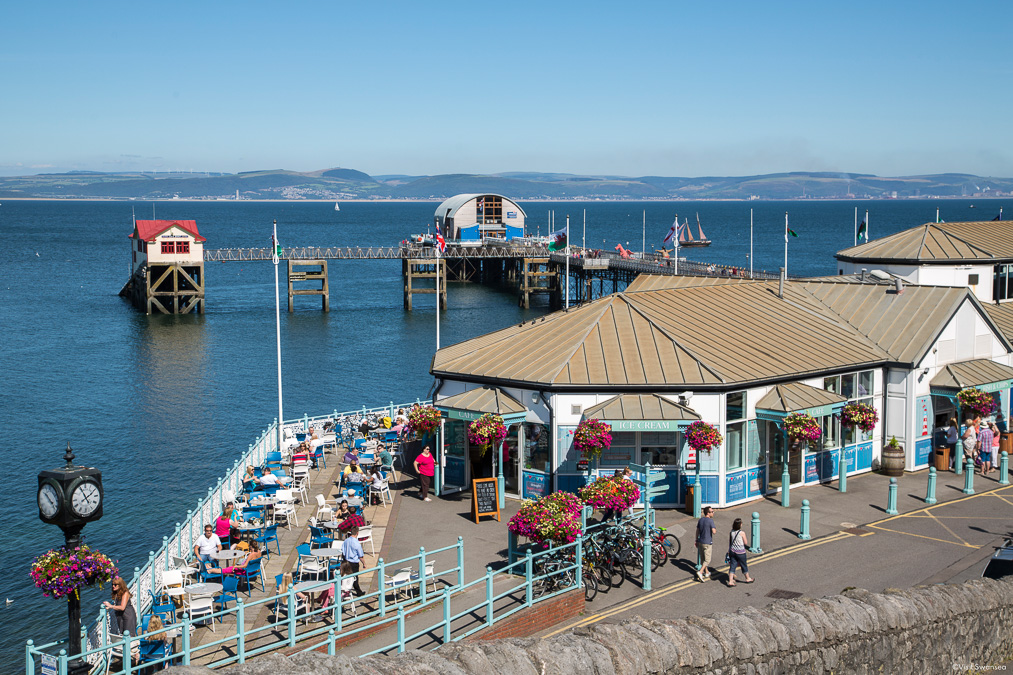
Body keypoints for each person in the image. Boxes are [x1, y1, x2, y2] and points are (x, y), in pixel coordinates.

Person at [726, 518, 754, 586]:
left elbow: (730, 542)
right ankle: (748, 578)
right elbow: (746, 542)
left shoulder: (731, 532)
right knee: (743, 565)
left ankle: (730, 581)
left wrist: (729, 550)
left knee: (732, 565)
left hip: (732, 551)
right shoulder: (742, 533)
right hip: (740, 552)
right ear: (740, 525)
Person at [342, 526, 366, 596]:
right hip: (354, 563)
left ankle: (346, 590)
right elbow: (360, 556)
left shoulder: (346, 541)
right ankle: (358, 592)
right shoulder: (357, 544)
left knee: (346, 577)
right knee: (354, 578)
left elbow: (343, 551)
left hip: (346, 562)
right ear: (357, 533)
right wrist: (364, 563)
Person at [695, 506, 716, 582]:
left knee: (703, 559)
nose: (713, 512)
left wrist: (696, 540)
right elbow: (714, 532)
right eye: (712, 511)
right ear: (708, 513)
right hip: (707, 543)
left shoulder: (700, 520)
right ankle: (700, 572)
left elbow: (697, 530)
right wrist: (713, 529)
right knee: (707, 560)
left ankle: (706, 572)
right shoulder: (710, 521)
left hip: (701, 542)